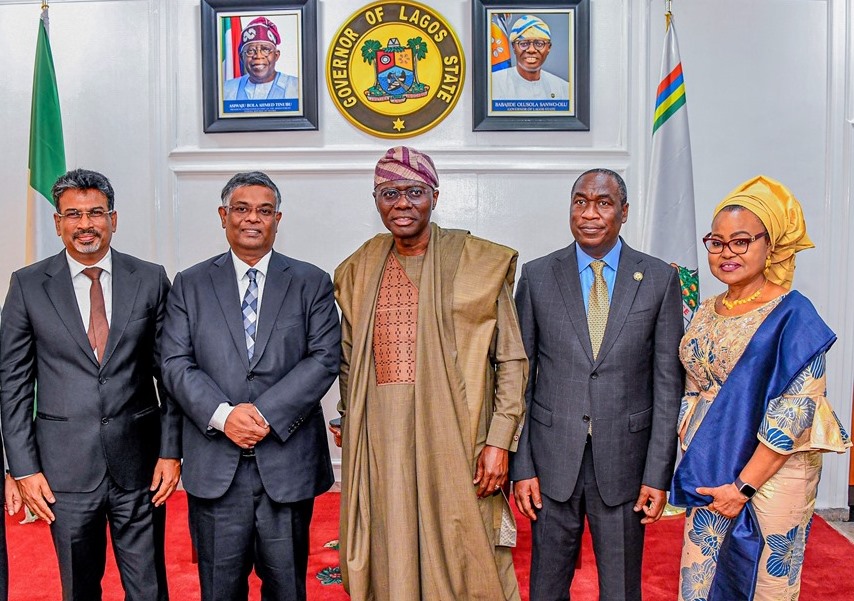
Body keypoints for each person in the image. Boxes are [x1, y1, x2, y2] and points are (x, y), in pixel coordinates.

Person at [333, 146, 528, 601]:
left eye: (415, 191)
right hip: (385, 440)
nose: (402, 203)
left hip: (457, 438)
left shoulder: (479, 262)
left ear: (435, 196)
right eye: (389, 193)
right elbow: (348, 360)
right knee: (390, 544)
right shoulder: (357, 270)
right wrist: (349, 415)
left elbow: (512, 359)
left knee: (467, 547)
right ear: (377, 200)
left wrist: (500, 441)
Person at [0, 168, 181, 600]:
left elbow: (172, 374)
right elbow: (13, 383)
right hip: (64, 470)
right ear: (58, 222)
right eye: (74, 214)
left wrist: (171, 451)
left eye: (96, 212)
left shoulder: (150, 278)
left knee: (149, 587)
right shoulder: (27, 286)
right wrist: (23, 467)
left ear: (113, 220)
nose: (86, 224)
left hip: (141, 468)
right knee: (80, 588)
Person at [160, 171, 340, 601]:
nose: (251, 219)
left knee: (286, 589)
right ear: (224, 216)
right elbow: (173, 361)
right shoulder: (190, 282)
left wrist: (262, 415)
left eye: (264, 210)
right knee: (219, 590)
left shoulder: (311, 281)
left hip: (287, 461)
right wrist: (225, 416)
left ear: (278, 219)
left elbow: (324, 357)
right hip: (215, 463)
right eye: (241, 209)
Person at [670, 176, 851, 601]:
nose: (726, 253)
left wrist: (743, 487)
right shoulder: (705, 311)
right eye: (716, 242)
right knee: (701, 575)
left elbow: (796, 412)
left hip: (774, 471)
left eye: (741, 241)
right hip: (711, 461)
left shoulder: (794, 314)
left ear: (770, 245)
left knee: (766, 581)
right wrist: (692, 441)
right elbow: (693, 387)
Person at [511, 168, 684, 601]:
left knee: (621, 588)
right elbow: (518, 380)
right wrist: (523, 466)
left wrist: (657, 474)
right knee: (546, 588)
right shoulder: (536, 276)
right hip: (551, 463)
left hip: (625, 463)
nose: (590, 213)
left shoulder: (660, 279)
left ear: (623, 212)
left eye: (603, 203)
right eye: (580, 201)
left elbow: (667, 386)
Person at [491, 15, 570, 101]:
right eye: (523, 44)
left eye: (539, 44)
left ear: (549, 48)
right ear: (513, 47)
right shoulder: (492, 84)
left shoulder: (564, 89)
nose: (531, 50)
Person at [223, 17, 298, 101]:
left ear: (276, 55)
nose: (258, 56)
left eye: (265, 50)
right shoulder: (226, 90)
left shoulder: (297, 87)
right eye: (250, 50)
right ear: (241, 58)